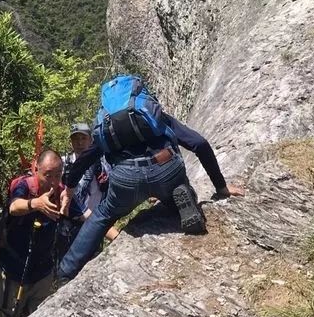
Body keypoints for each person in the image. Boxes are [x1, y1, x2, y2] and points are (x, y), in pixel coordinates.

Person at [57, 76, 207, 283]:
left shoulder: (108, 129)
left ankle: (67, 271)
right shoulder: (155, 116)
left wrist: (69, 189)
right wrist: (222, 187)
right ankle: (180, 201)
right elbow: (199, 143)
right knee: (179, 188)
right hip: (165, 170)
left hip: (126, 180)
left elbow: (82, 162)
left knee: (103, 215)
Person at [0, 148, 83, 317]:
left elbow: (87, 216)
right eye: (47, 175)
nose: (52, 181)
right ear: (36, 170)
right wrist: (35, 203)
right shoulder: (25, 186)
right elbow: (14, 206)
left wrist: (117, 234)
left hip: (43, 273)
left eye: (58, 175)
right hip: (14, 272)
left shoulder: (61, 193)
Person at [57, 124, 119, 265]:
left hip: (95, 222)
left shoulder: (103, 163)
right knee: (67, 264)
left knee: (93, 262)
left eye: (83, 138)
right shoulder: (62, 164)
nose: (79, 143)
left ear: (91, 140)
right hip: (69, 225)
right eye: (75, 139)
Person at [164, 115, 243, 200]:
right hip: (163, 174)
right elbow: (200, 144)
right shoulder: (155, 116)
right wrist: (221, 185)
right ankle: (169, 191)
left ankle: (162, 192)